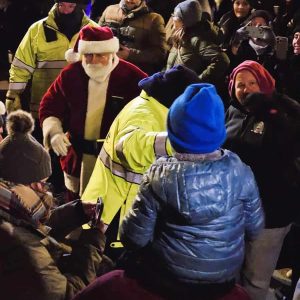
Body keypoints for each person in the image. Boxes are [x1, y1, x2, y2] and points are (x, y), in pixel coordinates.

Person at [117, 83, 264, 299]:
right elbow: (255, 229)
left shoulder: (159, 176)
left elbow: (134, 238)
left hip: (168, 279)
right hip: (222, 281)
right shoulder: (241, 171)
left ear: (174, 133)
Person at [81, 64, 200, 260]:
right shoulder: (144, 114)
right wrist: (176, 143)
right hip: (115, 216)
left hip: (113, 210)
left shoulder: (152, 107)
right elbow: (127, 147)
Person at [0, 110, 110, 300]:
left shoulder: (10, 206)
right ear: (26, 183)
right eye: (41, 183)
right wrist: (94, 239)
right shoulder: (23, 248)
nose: (45, 190)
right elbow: (70, 294)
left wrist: (76, 211)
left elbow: (33, 227)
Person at [39, 25, 147, 200]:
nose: (93, 60)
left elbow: (148, 112)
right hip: (77, 159)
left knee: (108, 215)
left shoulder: (132, 76)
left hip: (115, 162)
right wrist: (54, 132)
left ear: (111, 52)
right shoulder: (71, 74)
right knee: (75, 212)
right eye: (88, 55)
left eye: (100, 55)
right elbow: (50, 105)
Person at [225, 60, 300, 300]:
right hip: (235, 208)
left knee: (255, 278)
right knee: (230, 272)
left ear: (265, 84)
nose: (246, 89)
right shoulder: (233, 112)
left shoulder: (282, 114)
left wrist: (272, 113)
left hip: (271, 211)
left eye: (252, 83)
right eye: (240, 85)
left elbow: (286, 151)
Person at [5, 0, 96, 136]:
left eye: (70, 6)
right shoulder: (37, 30)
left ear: (79, 6)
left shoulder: (94, 31)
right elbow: (21, 66)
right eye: (61, 5)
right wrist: (13, 94)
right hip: (43, 107)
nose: (65, 10)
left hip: (80, 109)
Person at [165, 0, 229, 91]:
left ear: (184, 20)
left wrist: (198, 81)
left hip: (185, 92)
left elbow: (223, 60)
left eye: (175, 16)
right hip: (173, 88)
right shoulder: (180, 35)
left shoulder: (197, 40)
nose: (173, 18)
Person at [98, 0, 167, 74]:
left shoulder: (154, 19)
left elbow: (160, 54)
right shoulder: (109, 10)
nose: (130, 0)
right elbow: (96, 35)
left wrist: (130, 55)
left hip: (133, 74)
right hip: (105, 69)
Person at [230, 10, 277, 74]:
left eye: (260, 25)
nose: (257, 27)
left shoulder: (271, 43)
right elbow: (234, 59)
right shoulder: (244, 43)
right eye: (254, 24)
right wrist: (236, 42)